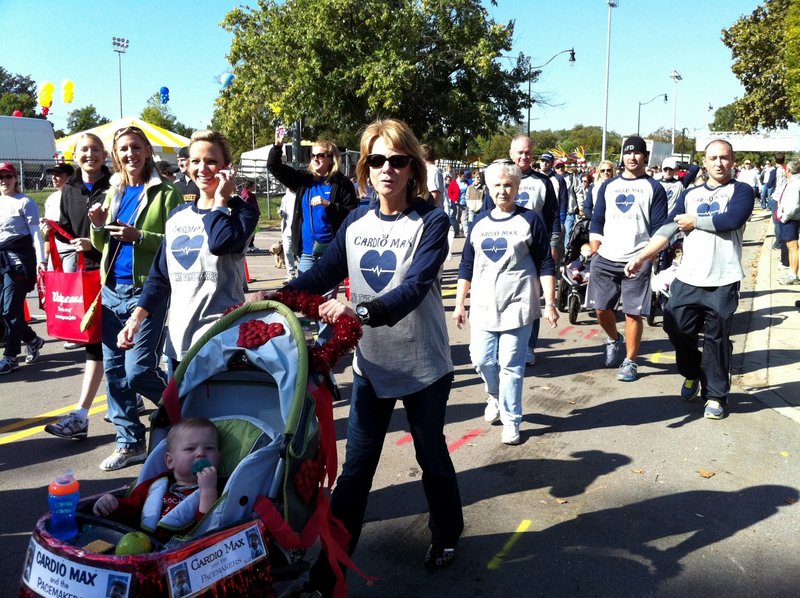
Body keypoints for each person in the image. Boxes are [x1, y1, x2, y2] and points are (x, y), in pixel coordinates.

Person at [279, 118, 463, 589]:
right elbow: (319, 275)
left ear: (412, 168)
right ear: (365, 166)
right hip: (372, 369)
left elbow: (415, 287)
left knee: (432, 458)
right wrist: (274, 301)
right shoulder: (357, 221)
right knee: (356, 473)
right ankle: (331, 569)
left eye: (398, 161)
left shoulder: (431, 220)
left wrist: (356, 309)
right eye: (377, 160)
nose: (387, 169)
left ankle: (446, 532)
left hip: (424, 368)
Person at [625, 139, 753, 419]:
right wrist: (642, 256)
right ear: (704, 162)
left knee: (717, 339)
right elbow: (668, 227)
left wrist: (695, 222)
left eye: (724, 157)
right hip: (688, 277)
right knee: (676, 328)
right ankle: (692, 372)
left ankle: (716, 396)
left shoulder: (741, 190)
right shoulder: (690, 193)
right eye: (713, 158)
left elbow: (731, 220)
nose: (719, 163)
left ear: (732, 161)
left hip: (723, 278)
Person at [118, 130, 259, 376]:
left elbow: (219, 243)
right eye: (195, 161)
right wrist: (136, 320)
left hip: (220, 342)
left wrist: (220, 202)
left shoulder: (243, 213)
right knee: (177, 413)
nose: (202, 168)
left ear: (227, 167)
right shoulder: (177, 216)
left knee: (213, 415)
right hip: (178, 343)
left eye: (211, 161)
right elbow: (160, 277)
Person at [88, 125, 183, 470]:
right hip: (112, 290)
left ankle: (184, 414)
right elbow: (102, 247)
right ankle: (130, 442)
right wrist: (98, 227)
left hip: (147, 292)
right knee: (114, 373)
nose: (130, 154)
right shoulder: (113, 192)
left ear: (147, 150)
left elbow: (177, 244)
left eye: (136, 147)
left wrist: (139, 235)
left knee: (139, 370)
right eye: (123, 149)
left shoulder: (166, 193)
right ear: (116, 155)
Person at [453, 161, 558, 445]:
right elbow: (466, 264)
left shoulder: (530, 221)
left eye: (509, 185)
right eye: (498, 185)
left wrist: (549, 302)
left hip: (518, 303)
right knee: (482, 360)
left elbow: (545, 263)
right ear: (489, 188)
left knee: (511, 365)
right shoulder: (479, 223)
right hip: (484, 305)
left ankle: (512, 420)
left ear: (517, 188)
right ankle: (495, 396)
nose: (503, 190)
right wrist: (460, 302)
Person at [44, 133, 129, 440]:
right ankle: (83, 414)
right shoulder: (69, 190)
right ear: (75, 155)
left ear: (105, 154)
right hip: (87, 278)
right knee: (98, 347)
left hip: (118, 275)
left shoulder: (118, 185)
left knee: (123, 350)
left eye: (95, 149)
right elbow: (69, 230)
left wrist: (92, 247)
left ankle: (128, 409)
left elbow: (124, 233)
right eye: (84, 150)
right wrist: (53, 231)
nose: (89, 154)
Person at [587, 135, 668, 382]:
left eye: (637, 153)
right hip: (606, 256)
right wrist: (595, 248)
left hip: (638, 258)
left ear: (645, 157)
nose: (632, 157)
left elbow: (659, 228)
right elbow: (597, 220)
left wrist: (649, 256)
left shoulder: (654, 187)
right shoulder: (608, 186)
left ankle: (630, 361)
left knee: (633, 313)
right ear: (622, 156)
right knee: (601, 309)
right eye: (628, 153)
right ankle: (613, 339)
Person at [482, 136, 560, 366]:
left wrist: (554, 244)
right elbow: (486, 215)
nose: (524, 156)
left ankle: (527, 346)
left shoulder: (543, 182)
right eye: (519, 152)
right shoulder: (497, 179)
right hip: (501, 248)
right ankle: (499, 341)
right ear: (511, 152)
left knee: (532, 297)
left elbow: (553, 217)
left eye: (528, 152)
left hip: (533, 248)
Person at [92, 417, 220, 538]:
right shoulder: (155, 485)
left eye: (209, 448)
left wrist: (208, 491)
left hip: (183, 550)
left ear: (219, 458)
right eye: (190, 449)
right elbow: (132, 509)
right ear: (170, 461)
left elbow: (208, 528)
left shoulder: (218, 490)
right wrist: (112, 505)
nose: (201, 453)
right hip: (141, 545)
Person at [267, 134, 357, 274]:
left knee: (325, 295)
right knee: (304, 293)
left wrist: (329, 205)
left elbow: (352, 212)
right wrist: (278, 146)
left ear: (331, 159)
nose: (315, 158)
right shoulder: (304, 179)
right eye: (312, 155)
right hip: (307, 252)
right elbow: (274, 166)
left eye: (320, 155)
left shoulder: (342, 183)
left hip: (330, 252)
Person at [0, 162, 46, 375]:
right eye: (1, 177)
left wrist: (41, 260)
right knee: (8, 311)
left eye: (8, 176)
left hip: (18, 263)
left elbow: (36, 233)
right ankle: (32, 339)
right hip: (1, 262)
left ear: (15, 178)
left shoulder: (25, 202)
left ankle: (10, 357)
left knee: (10, 310)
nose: (4, 181)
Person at [41, 163, 75, 270]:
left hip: (72, 250)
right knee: (54, 286)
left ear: (70, 177)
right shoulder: (51, 198)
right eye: (52, 174)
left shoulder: (76, 197)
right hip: (55, 251)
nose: (53, 177)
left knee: (70, 285)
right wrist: (46, 255)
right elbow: (48, 232)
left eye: (58, 174)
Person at [776, 159, 800, 285]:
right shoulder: (793, 182)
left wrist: (784, 217)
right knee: (791, 246)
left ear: (789, 170)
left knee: (793, 247)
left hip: (791, 219)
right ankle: (792, 272)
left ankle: (794, 275)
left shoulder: (795, 184)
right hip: (790, 219)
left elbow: (793, 205)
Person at [279, 189, 298, 281]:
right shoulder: (285, 198)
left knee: (299, 253)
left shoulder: (300, 196)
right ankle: (291, 274)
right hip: (287, 229)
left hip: (298, 230)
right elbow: (282, 210)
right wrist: (281, 213)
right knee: (287, 251)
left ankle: (303, 274)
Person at [239, 180, 260, 252]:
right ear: (249, 186)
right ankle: (246, 246)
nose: (255, 187)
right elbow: (247, 204)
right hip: (249, 217)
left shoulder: (249, 194)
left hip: (253, 216)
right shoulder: (246, 194)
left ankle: (251, 245)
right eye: (254, 186)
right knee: (249, 231)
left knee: (253, 231)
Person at [447, 169, 469, 237]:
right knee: (456, 219)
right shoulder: (454, 183)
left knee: (464, 219)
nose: (464, 177)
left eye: (464, 176)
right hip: (456, 203)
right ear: (459, 175)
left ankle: (466, 234)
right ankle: (456, 233)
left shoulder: (467, 182)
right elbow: (449, 193)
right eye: (463, 176)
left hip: (464, 203)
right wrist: (454, 200)